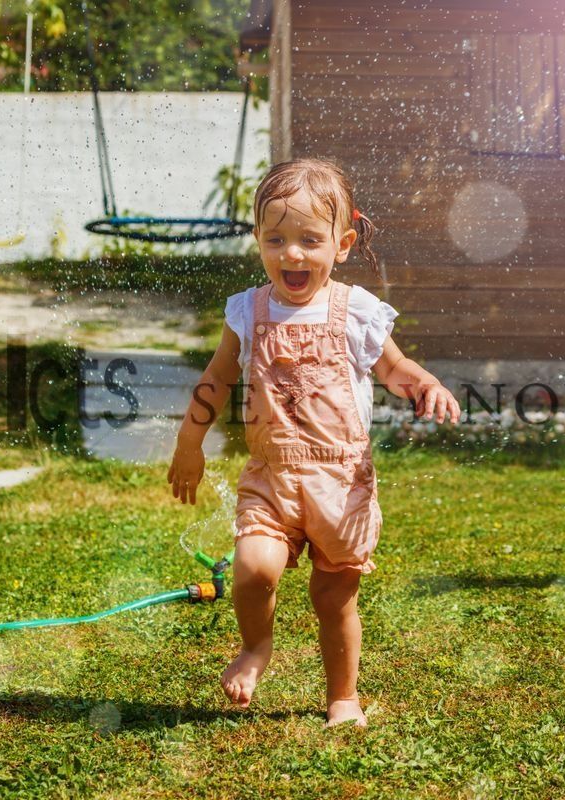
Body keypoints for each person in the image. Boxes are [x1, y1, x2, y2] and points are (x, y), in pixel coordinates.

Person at [168, 159, 461, 726]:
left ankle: (343, 696)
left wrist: (426, 385)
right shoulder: (246, 312)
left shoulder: (356, 312)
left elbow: (396, 369)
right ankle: (256, 647)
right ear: (257, 240)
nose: (292, 255)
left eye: (309, 240)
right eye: (275, 239)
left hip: (339, 484)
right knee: (254, 568)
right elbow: (216, 379)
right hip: (271, 477)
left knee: (334, 598)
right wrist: (189, 443)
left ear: (342, 243)